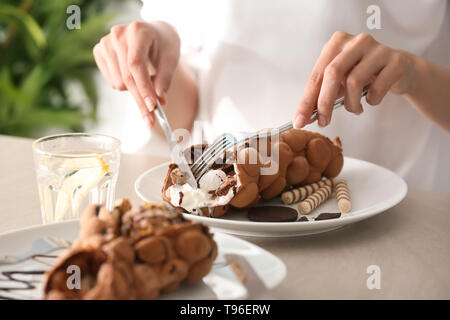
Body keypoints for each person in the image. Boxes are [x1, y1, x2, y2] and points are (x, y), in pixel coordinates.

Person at [93, 0, 450, 190]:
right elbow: (186, 113)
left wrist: (413, 74)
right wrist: (155, 68)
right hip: (233, 225)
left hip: (403, 218)